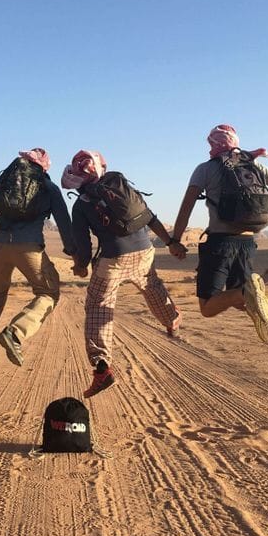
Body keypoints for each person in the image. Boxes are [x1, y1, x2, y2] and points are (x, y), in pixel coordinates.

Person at [62, 150, 186, 398]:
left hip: (113, 259)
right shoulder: (123, 186)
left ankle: (102, 368)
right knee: (152, 287)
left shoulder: (82, 205)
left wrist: (81, 266)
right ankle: (172, 321)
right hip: (145, 251)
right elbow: (150, 218)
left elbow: (83, 246)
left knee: (98, 305)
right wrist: (170, 242)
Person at [171, 124, 268, 341]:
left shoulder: (206, 169)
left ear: (212, 144)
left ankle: (246, 293)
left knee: (208, 307)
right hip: (248, 243)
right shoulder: (254, 165)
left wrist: (175, 240)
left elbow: (186, 207)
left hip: (220, 243)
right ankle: (252, 301)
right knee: (239, 300)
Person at [0, 148, 77, 366]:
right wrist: (73, 252)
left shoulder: (1, 184)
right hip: (28, 246)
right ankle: (15, 333)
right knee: (48, 293)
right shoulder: (47, 187)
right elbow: (63, 221)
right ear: (43, 165)